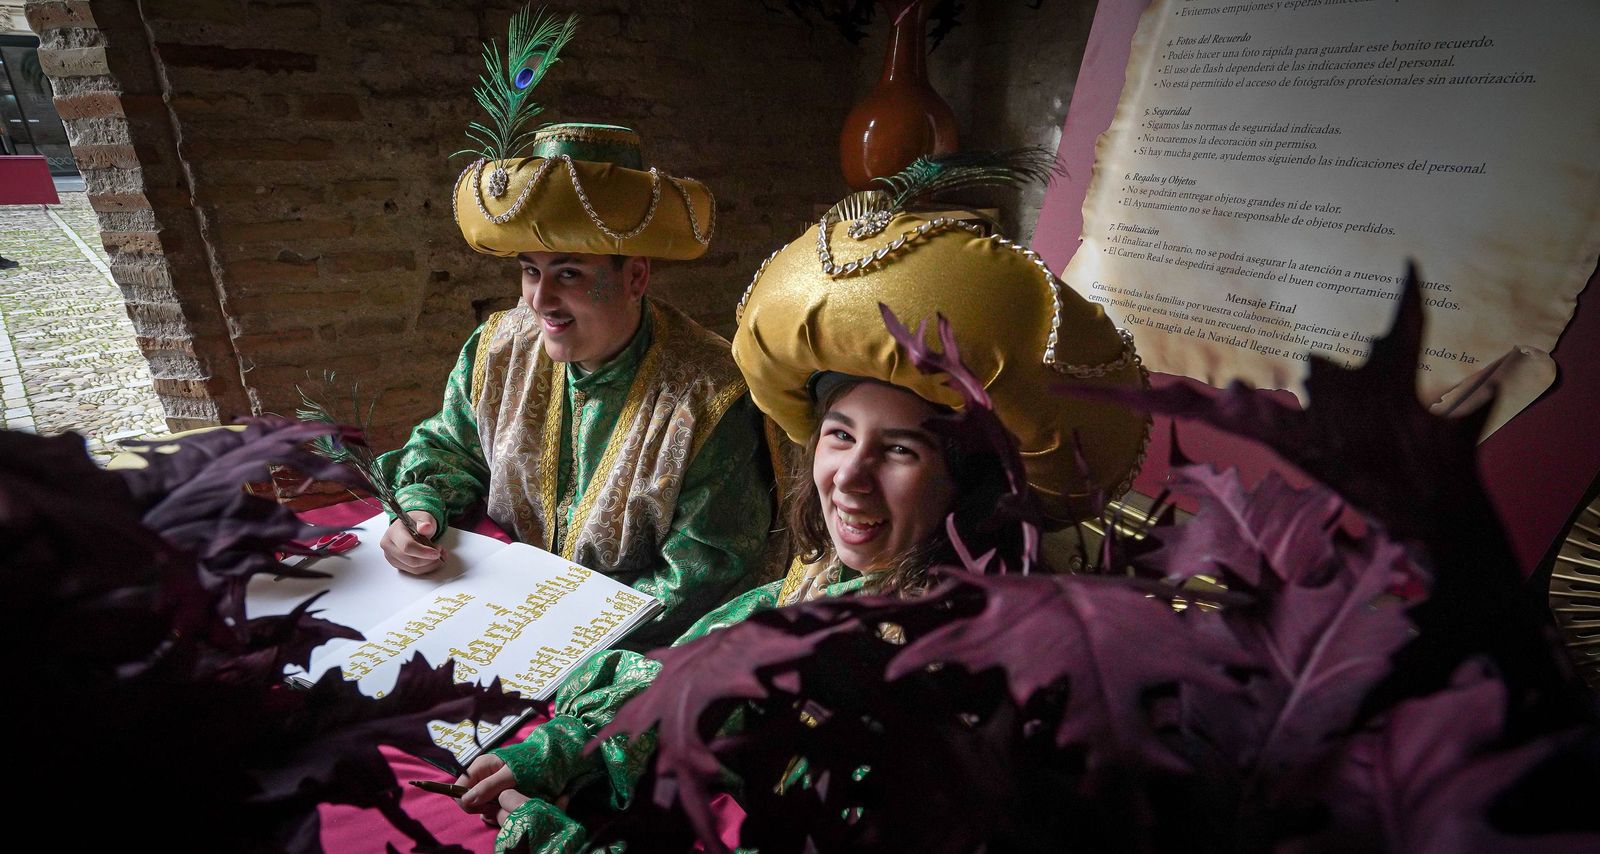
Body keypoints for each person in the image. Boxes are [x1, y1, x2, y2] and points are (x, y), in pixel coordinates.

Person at [450, 167, 1153, 851]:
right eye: (840, 437)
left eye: (901, 451)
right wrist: (573, 745)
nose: (849, 478)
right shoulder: (825, 579)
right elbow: (700, 665)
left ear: (963, 482)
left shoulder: (955, 674)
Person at [374, 28, 774, 646]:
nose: (540, 301)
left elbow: (704, 574)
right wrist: (422, 506)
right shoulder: (498, 349)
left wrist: (560, 636)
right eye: (530, 271)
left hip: (621, 648)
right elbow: (448, 447)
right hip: (486, 613)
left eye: (569, 274)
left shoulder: (709, 395)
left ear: (635, 275)